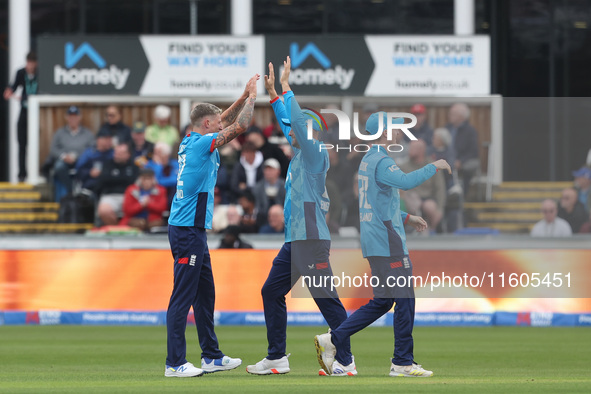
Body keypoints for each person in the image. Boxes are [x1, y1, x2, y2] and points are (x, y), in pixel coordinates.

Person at [314, 111, 451, 377]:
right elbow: (407, 182)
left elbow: (377, 206)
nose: (399, 132)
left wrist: (407, 217)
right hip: (388, 242)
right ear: (385, 132)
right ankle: (402, 362)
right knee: (405, 300)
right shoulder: (382, 161)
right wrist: (435, 165)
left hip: (376, 239)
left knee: (384, 300)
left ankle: (334, 338)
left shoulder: (367, 160)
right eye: (395, 128)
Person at [246, 58, 353, 376]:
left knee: (327, 301)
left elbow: (296, 126)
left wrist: (288, 88)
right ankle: (277, 357)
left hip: (311, 238)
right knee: (271, 291)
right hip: (296, 240)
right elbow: (289, 123)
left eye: (297, 128)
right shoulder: (299, 157)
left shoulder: (316, 154)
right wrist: (275, 95)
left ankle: (346, 362)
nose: (289, 132)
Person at [164, 73, 259, 378]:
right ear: (207, 125)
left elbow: (225, 119)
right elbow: (240, 126)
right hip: (187, 230)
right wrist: (255, 99)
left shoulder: (193, 139)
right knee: (183, 297)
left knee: (205, 296)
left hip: (193, 230)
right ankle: (175, 363)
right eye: (216, 121)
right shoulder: (204, 143)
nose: (221, 123)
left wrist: (243, 96)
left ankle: (211, 356)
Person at [4, 51, 38, 182]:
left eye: (32, 63)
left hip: (36, 113)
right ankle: (22, 174)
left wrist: (23, 97)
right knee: (21, 143)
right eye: (28, 63)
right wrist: (9, 91)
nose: (29, 66)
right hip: (24, 111)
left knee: (34, 143)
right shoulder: (21, 73)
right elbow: (13, 86)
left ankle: (36, 172)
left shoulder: (40, 74)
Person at [400, 140, 447, 232]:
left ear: (422, 150)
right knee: (411, 203)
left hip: (427, 198)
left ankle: (430, 230)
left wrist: (440, 208)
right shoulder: (403, 166)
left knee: (430, 206)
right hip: (410, 197)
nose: (409, 150)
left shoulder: (432, 164)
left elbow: (440, 188)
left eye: (413, 148)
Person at [48, 106, 95, 195]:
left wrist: (78, 156)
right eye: (70, 116)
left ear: (79, 118)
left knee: (88, 168)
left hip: (82, 160)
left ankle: (84, 192)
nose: (72, 119)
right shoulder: (60, 132)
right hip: (65, 161)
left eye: (75, 116)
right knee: (58, 167)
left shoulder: (87, 133)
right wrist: (64, 156)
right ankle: (70, 190)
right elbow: (53, 149)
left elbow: (92, 149)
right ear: (66, 118)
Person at [95, 143, 140, 225]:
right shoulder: (107, 164)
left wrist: (114, 179)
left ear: (128, 155)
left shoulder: (134, 167)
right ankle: (116, 228)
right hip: (110, 195)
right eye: (116, 152)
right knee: (104, 211)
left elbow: (135, 183)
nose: (117, 155)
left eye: (121, 153)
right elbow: (103, 180)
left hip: (129, 196)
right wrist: (123, 179)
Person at [446, 103, 479, 197]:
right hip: (446, 158)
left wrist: (461, 161)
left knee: (467, 168)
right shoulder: (447, 128)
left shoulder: (470, 131)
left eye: (452, 114)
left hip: (462, 160)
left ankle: (463, 195)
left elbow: (473, 151)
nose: (449, 116)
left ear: (461, 116)